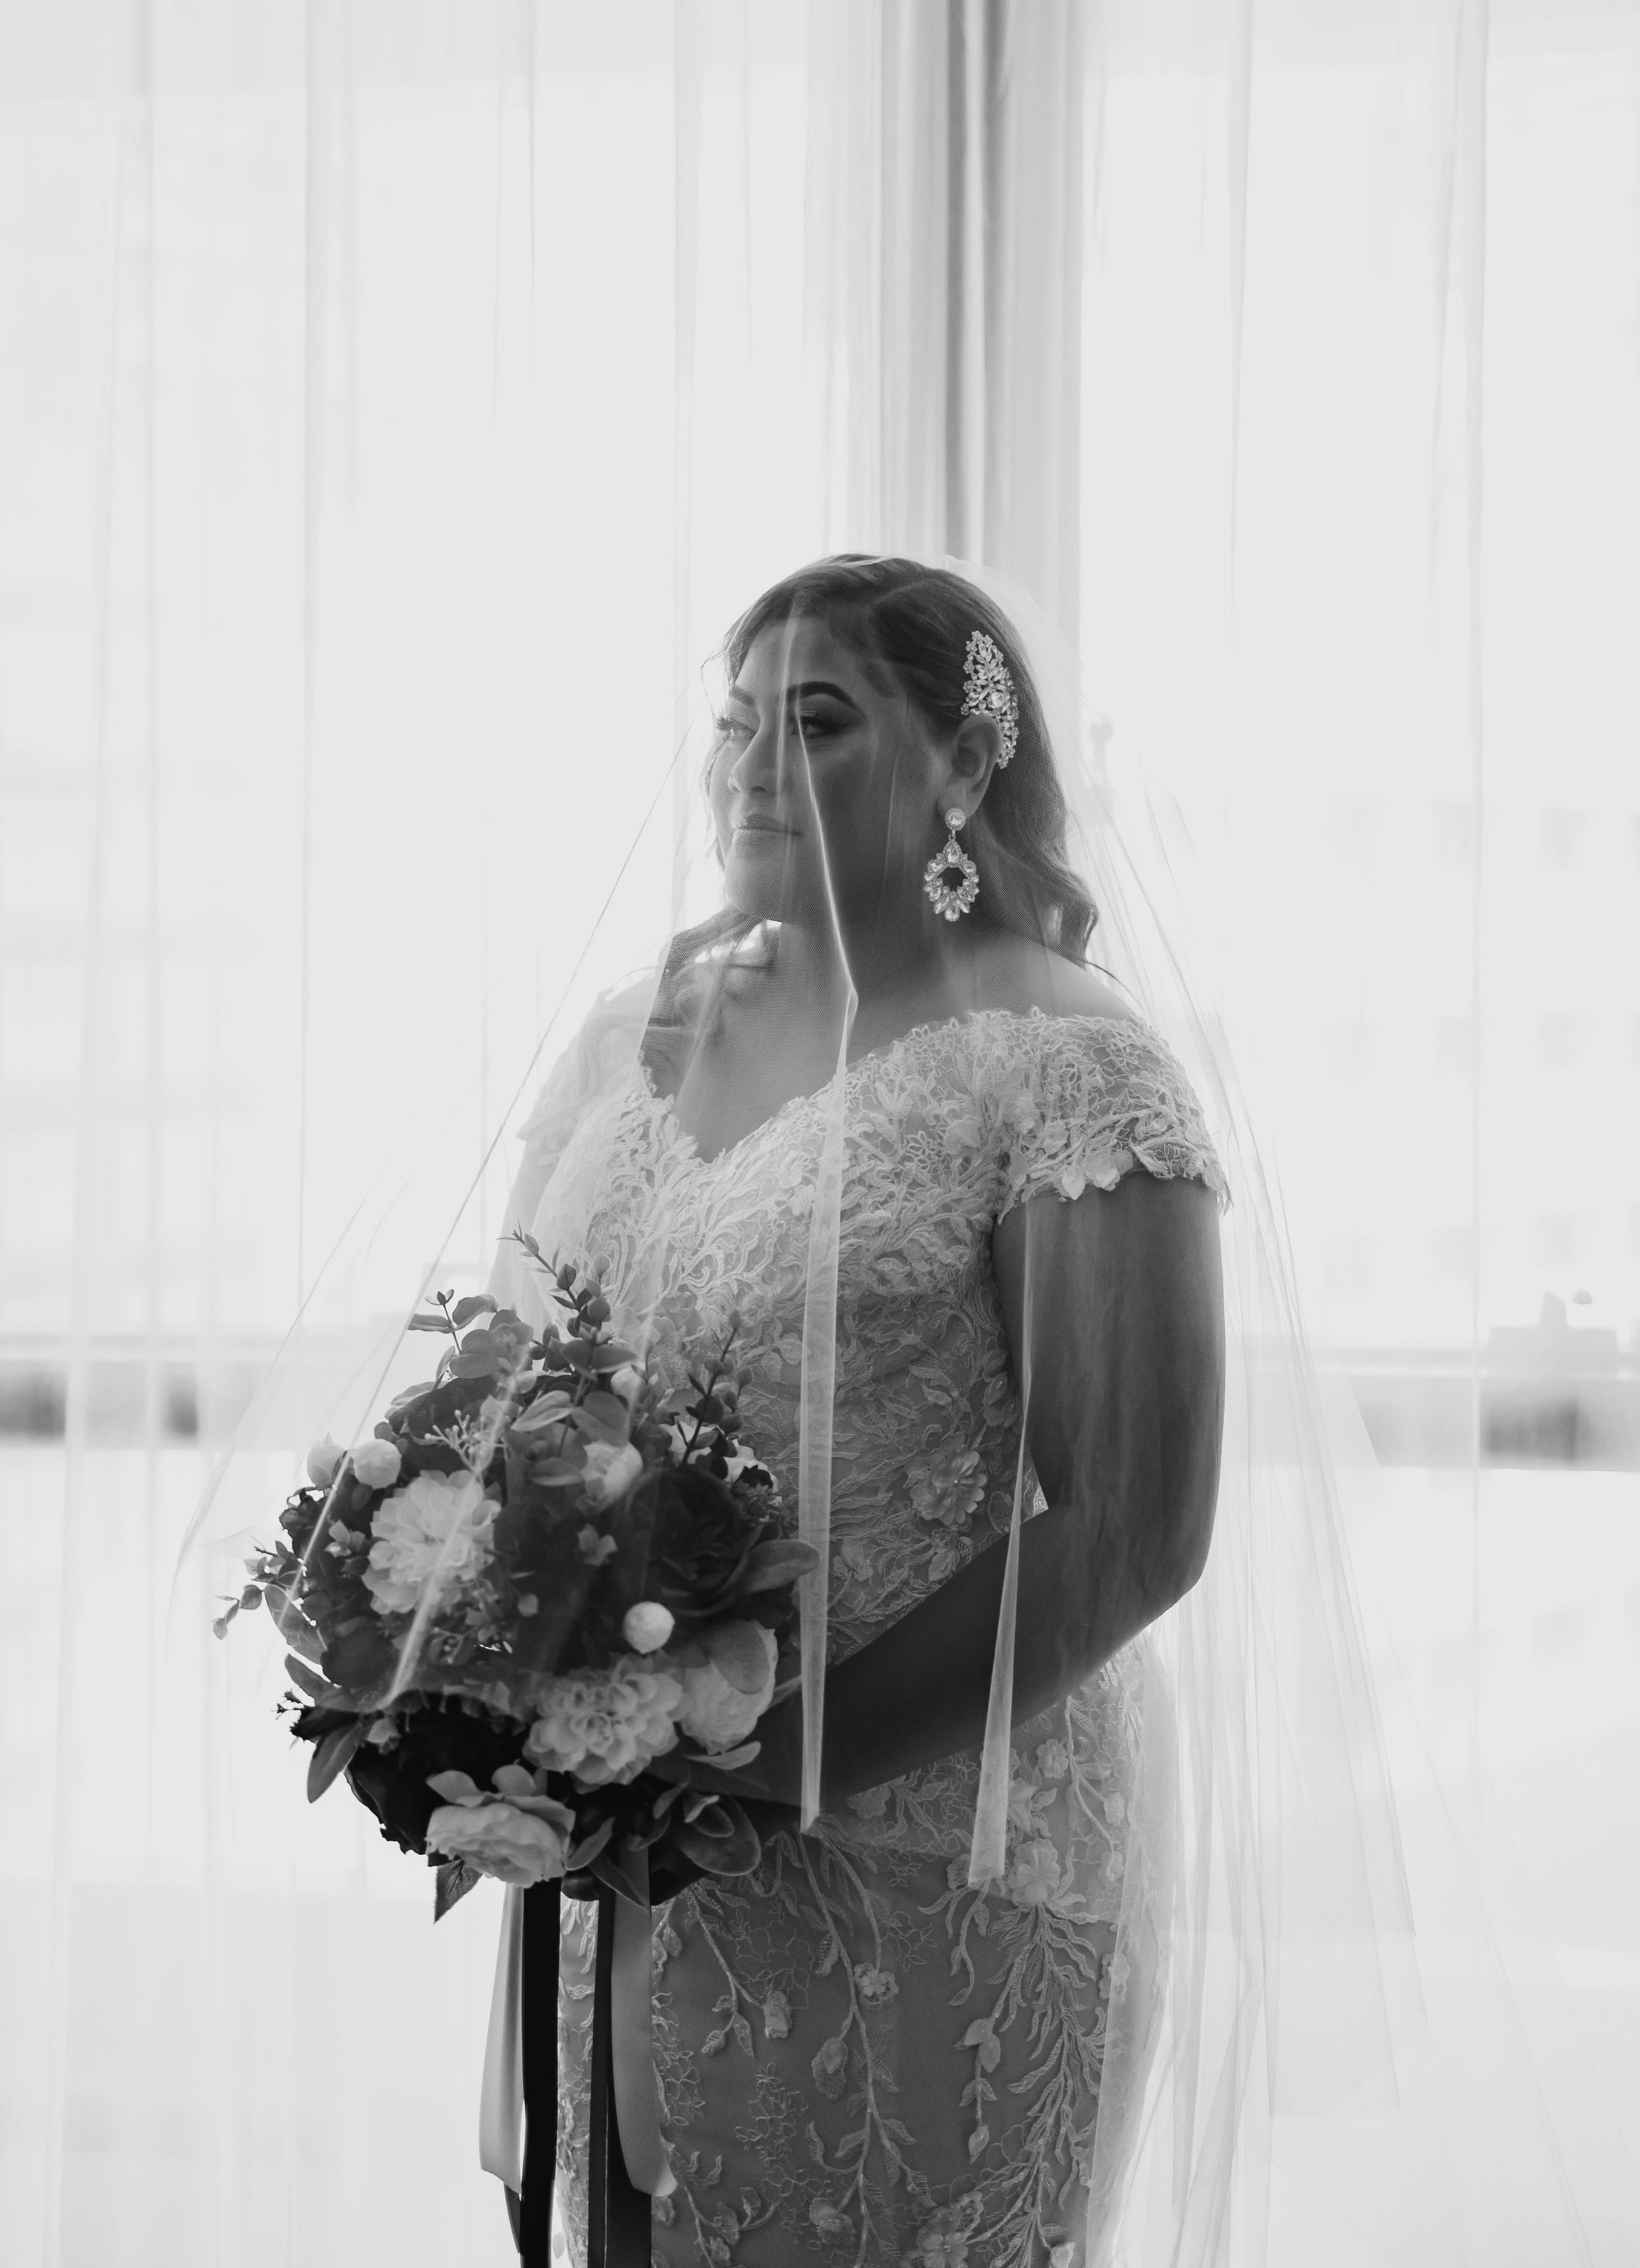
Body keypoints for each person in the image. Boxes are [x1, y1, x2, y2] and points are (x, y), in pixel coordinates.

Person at [488, 553, 1233, 2268]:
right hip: (636, 1848)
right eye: (736, 722)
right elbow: (522, 1403)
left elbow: (1136, 1526)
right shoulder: (634, 1041)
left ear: (967, 765)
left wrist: (763, 1767)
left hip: (938, 1855)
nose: (752, 762)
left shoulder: (1066, 1064)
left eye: (817, 721)